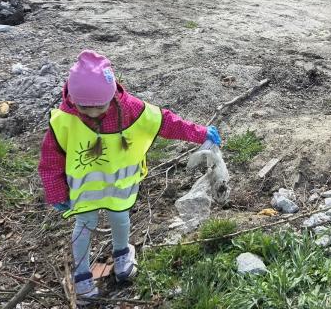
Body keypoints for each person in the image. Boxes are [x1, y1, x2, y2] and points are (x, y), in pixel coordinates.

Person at [38, 50, 221, 302]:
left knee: (120, 218)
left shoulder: (131, 109)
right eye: (84, 108)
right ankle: (81, 276)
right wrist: (56, 191)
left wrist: (200, 133)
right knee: (84, 226)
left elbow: (165, 122)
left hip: (119, 188)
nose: (92, 114)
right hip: (84, 193)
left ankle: (122, 253)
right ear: (72, 98)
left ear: (112, 93)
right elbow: (50, 159)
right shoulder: (64, 120)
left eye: (99, 107)